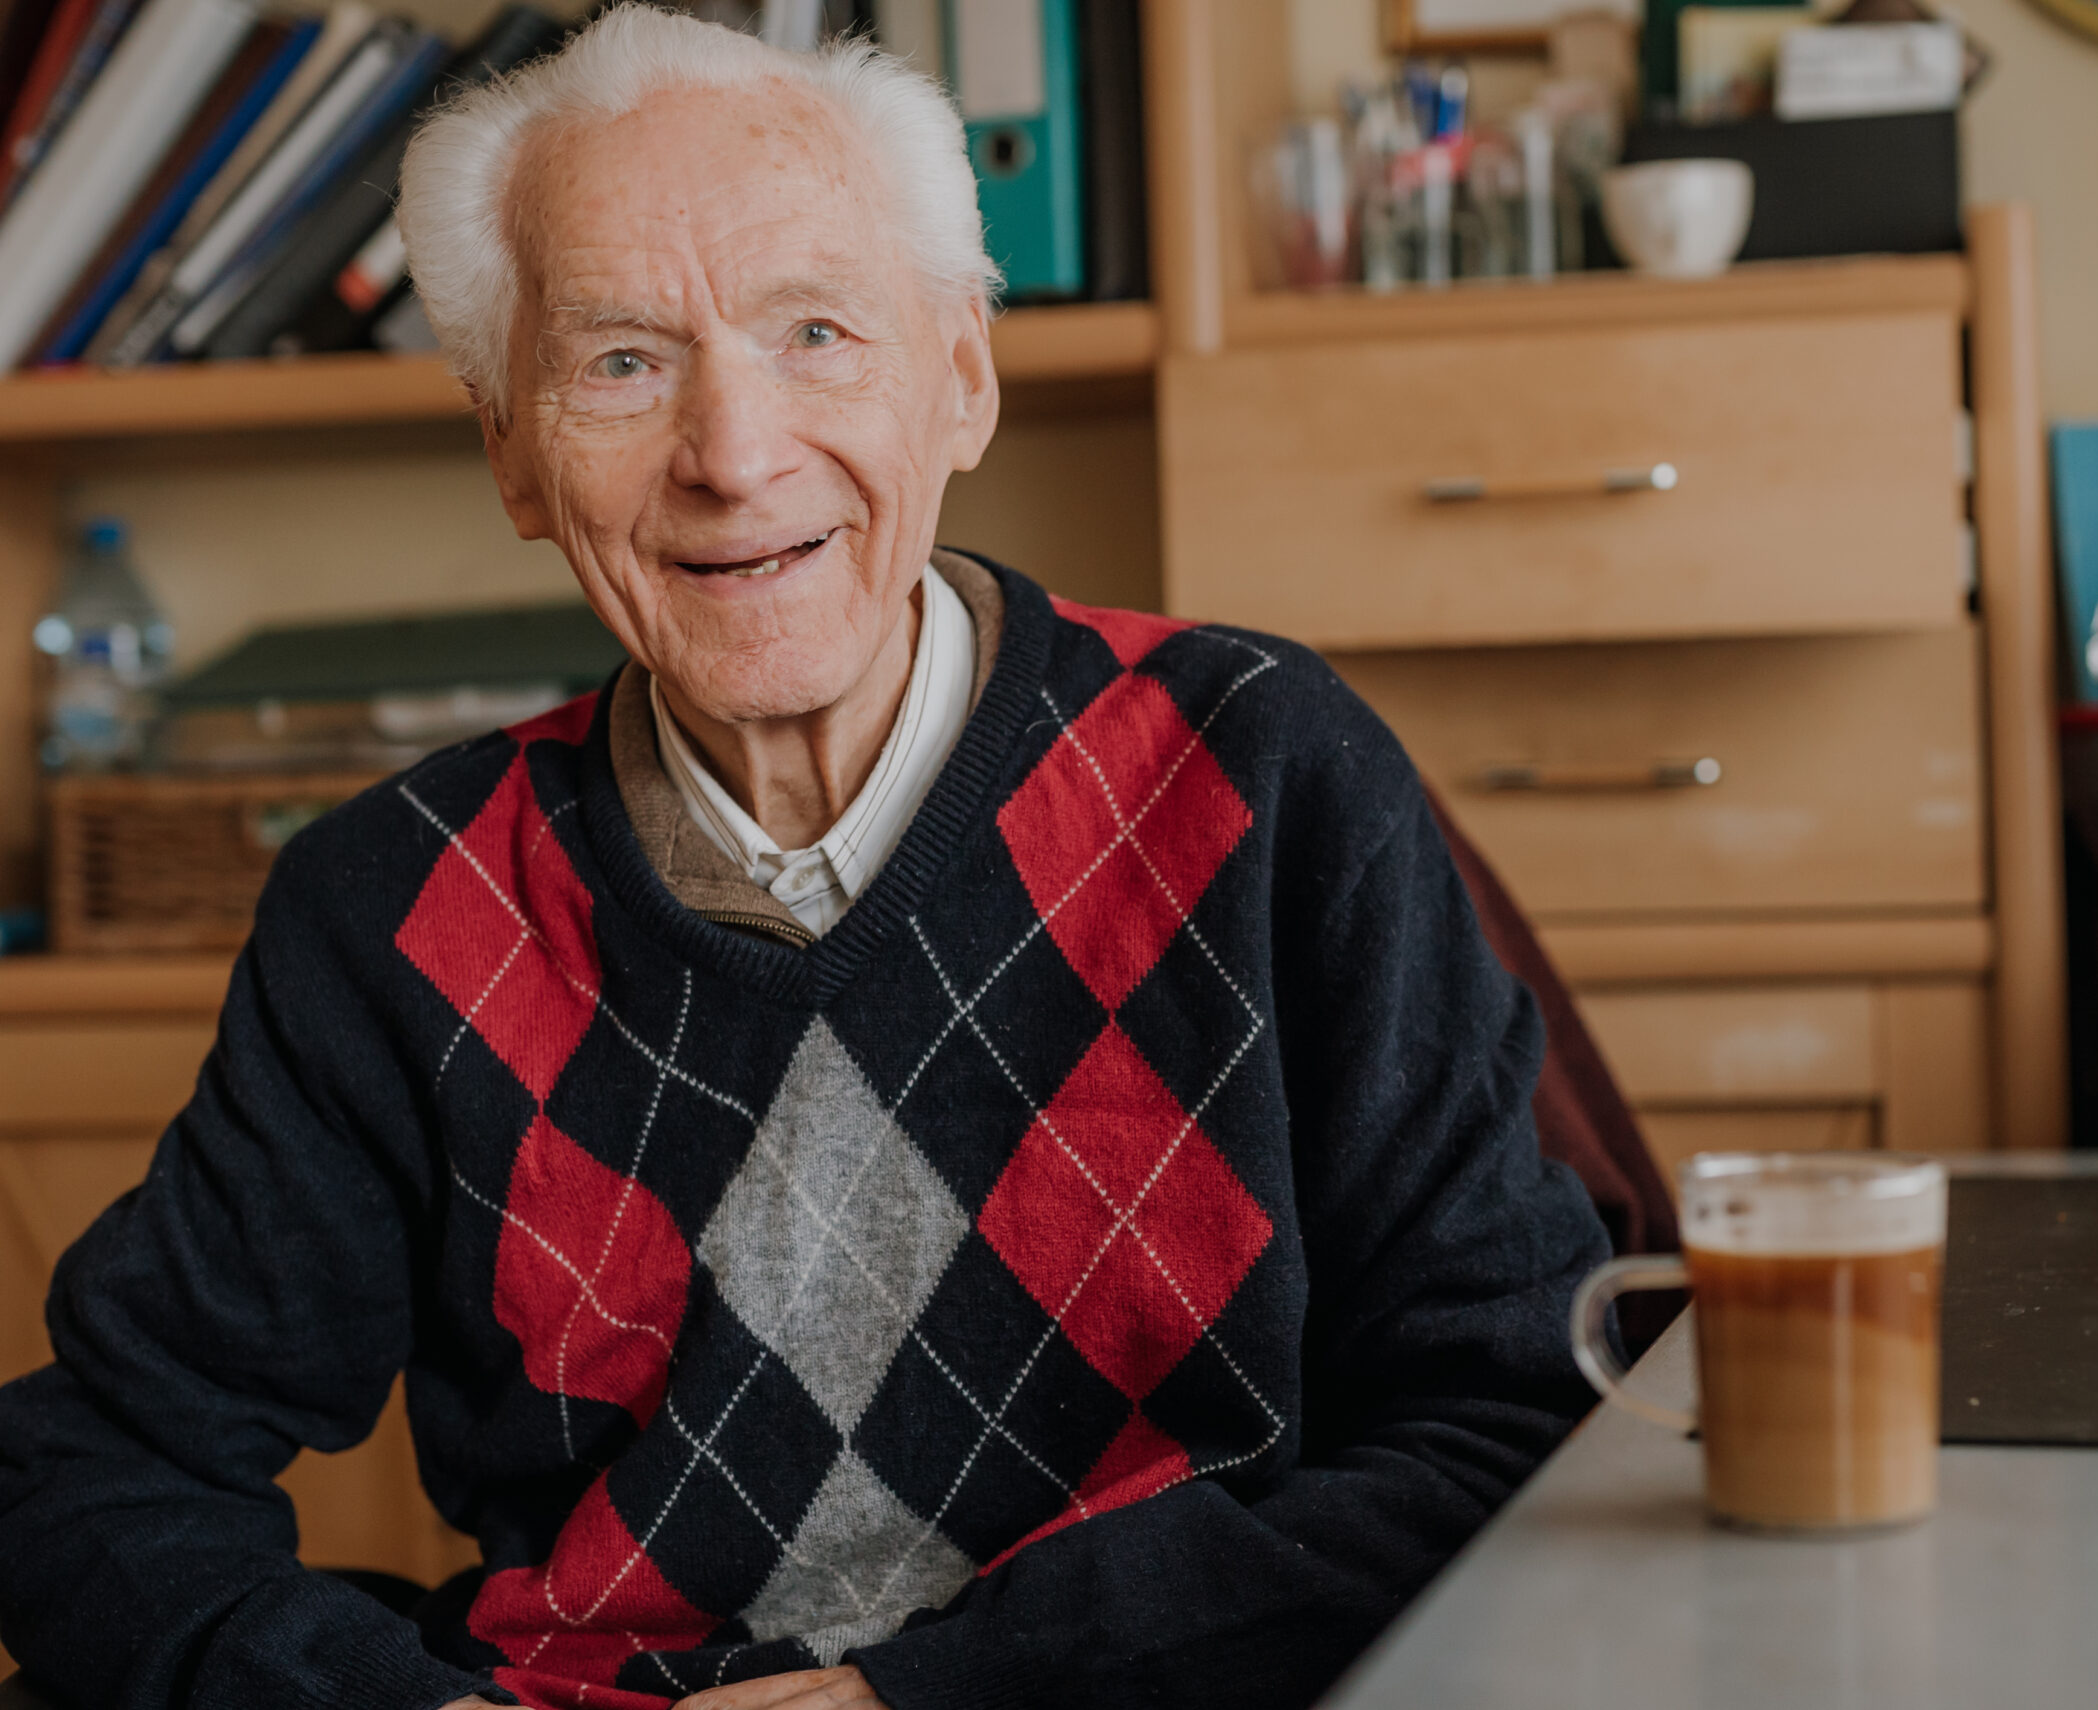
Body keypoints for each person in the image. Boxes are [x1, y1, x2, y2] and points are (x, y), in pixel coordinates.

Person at [0, 9, 1612, 1710]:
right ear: (513, 455)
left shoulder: (1268, 770)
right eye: (622, 362)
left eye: (817, 331)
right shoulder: (393, 911)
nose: (733, 454)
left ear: (963, 377)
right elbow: (87, 1475)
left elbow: (1516, 1419)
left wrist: (915, 1699)